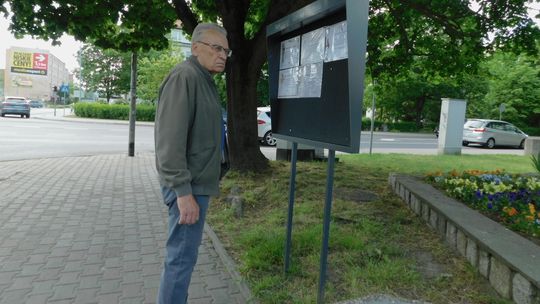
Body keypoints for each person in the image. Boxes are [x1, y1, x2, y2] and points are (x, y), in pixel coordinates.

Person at [154, 22, 231, 304]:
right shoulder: (185, 77)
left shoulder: (203, 79)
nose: (223, 55)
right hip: (188, 187)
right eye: (216, 48)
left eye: (226, 50)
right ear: (195, 47)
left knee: (184, 256)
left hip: (196, 184)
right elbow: (170, 141)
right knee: (181, 259)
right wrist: (183, 192)